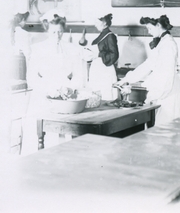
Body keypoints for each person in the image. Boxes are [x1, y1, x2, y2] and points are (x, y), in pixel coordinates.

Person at [23, 13, 84, 154]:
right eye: (54, 32)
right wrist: (49, 90)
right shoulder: (38, 49)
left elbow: (78, 75)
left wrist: (71, 88)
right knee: (43, 137)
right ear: (47, 30)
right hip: (43, 96)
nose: (57, 35)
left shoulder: (71, 49)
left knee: (64, 136)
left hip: (65, 97)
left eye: (60, 31)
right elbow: (31, 78)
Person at [116, 15, 180, 124]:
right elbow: (148, 65)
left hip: (169, 91)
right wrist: (127, 79)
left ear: (158, 25)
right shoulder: (163, 43)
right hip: (165, 89)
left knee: (166, 128)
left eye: (149, 28)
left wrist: (157, 95)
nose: (148, 32)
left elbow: (168, 75)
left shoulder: (168, 44)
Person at [87, 13, 119, 101]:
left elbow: (114, 55)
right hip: (98, 69)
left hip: (105, 70)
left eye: (97, 22)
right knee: (96, 97)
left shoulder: (110, 36)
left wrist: (99, 55)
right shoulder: (102, 34)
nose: (95, 24)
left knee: (105, 95)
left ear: (104, 22)